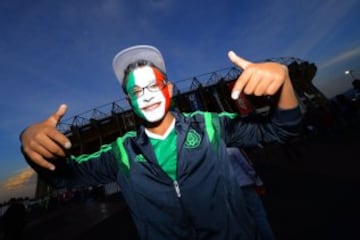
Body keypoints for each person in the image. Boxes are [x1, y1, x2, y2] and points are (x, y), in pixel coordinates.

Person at [20, 45, 302, 240]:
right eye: (137, 91)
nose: (147, 95)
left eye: (154, 86)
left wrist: (284, 81)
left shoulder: (208, 126)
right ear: (130, 102)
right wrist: (28, 142)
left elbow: (282, 131)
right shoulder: (121, 153)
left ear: (169, 89)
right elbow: (63, 178)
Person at [227, 147, 276, 240]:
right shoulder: (233, 150)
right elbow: (247, 166)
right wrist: (258, 182)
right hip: (245, 184)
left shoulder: (214, 155)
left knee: (245, 217)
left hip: (231, 188)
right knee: (258, 214)